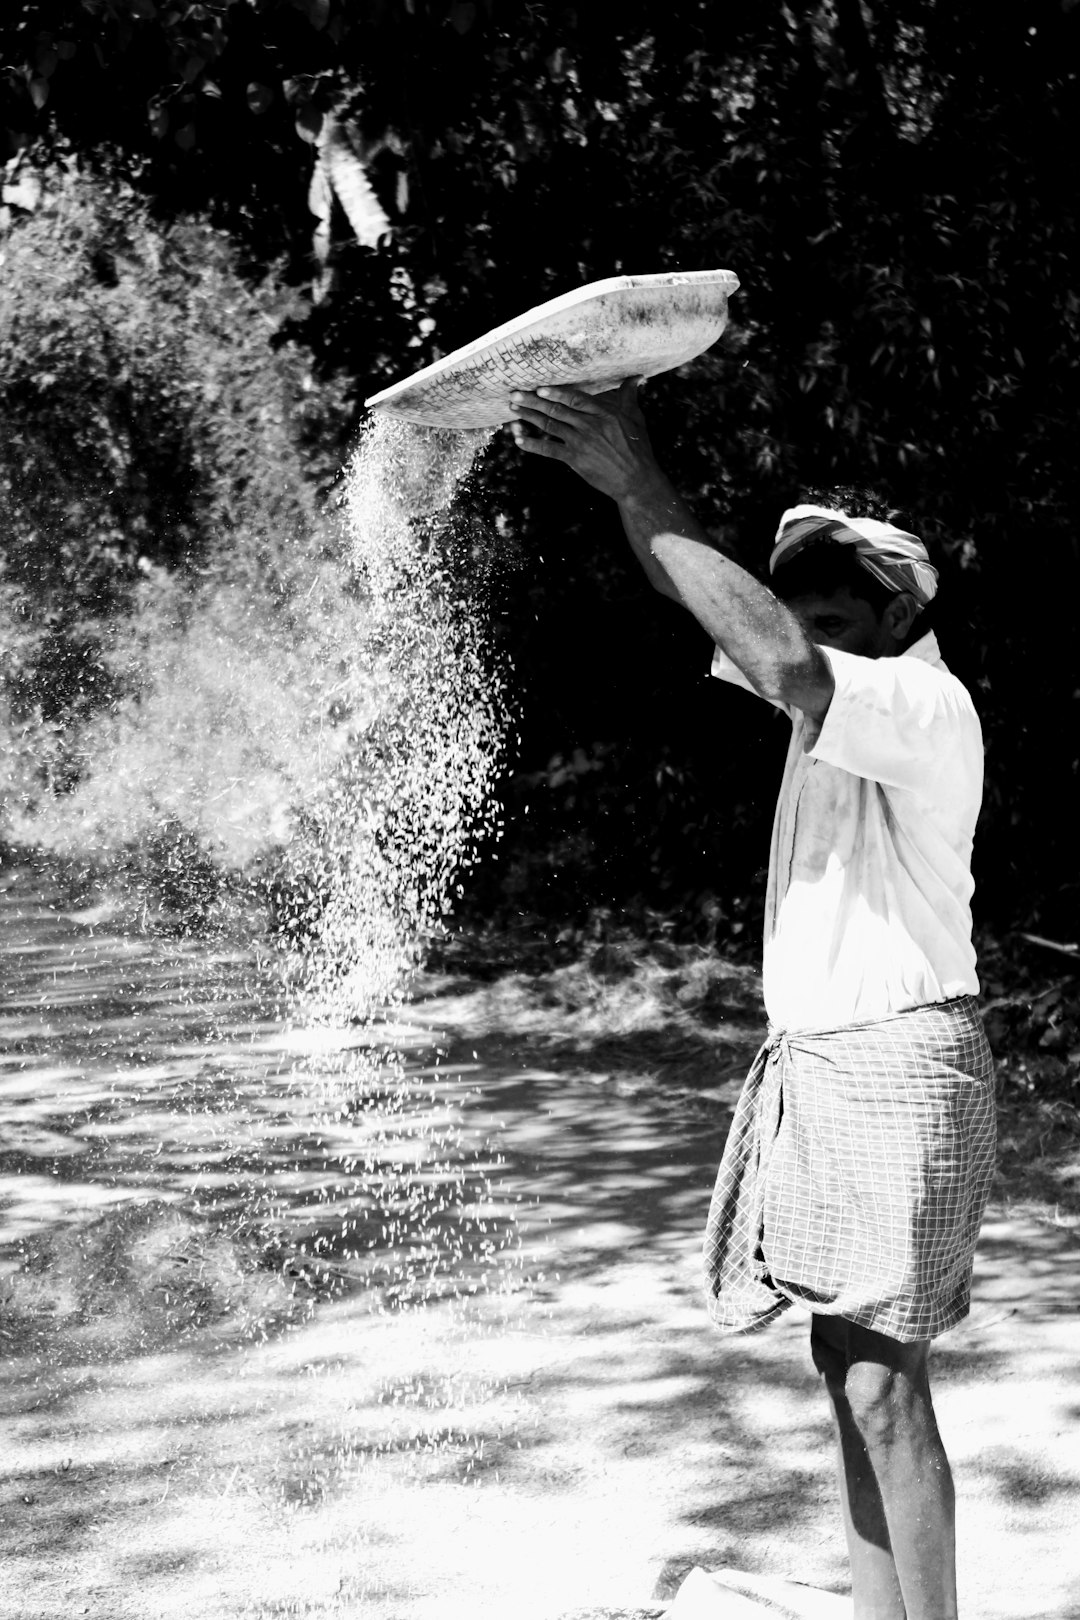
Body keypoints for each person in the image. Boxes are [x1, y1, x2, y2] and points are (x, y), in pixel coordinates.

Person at [509, 378, 995, 1620]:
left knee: (887, 1385)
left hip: (897, 1059)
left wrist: (643, 484)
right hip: (826, 1058)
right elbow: (709, 602)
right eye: (801, 615)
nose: (804, 637)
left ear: (895, 615)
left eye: (834, 616)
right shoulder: (836, 690)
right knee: (846, 1368)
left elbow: (779, 655)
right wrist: (626, 494)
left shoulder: (917, 703)